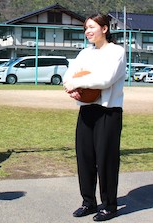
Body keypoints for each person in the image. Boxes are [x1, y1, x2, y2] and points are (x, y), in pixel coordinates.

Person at [63, 14, 126, 222]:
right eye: (86, 28)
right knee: (85, 158)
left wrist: (81, 81)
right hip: (87, 110)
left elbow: (106, 79)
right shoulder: (84, 53)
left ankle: (109, 205)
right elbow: (69, 75)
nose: (88, 31)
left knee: (106, 160)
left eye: (91, 27)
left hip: (108, 112)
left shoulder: (116, 51)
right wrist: (70, 86)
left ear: (105, 28)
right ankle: (88, 202)